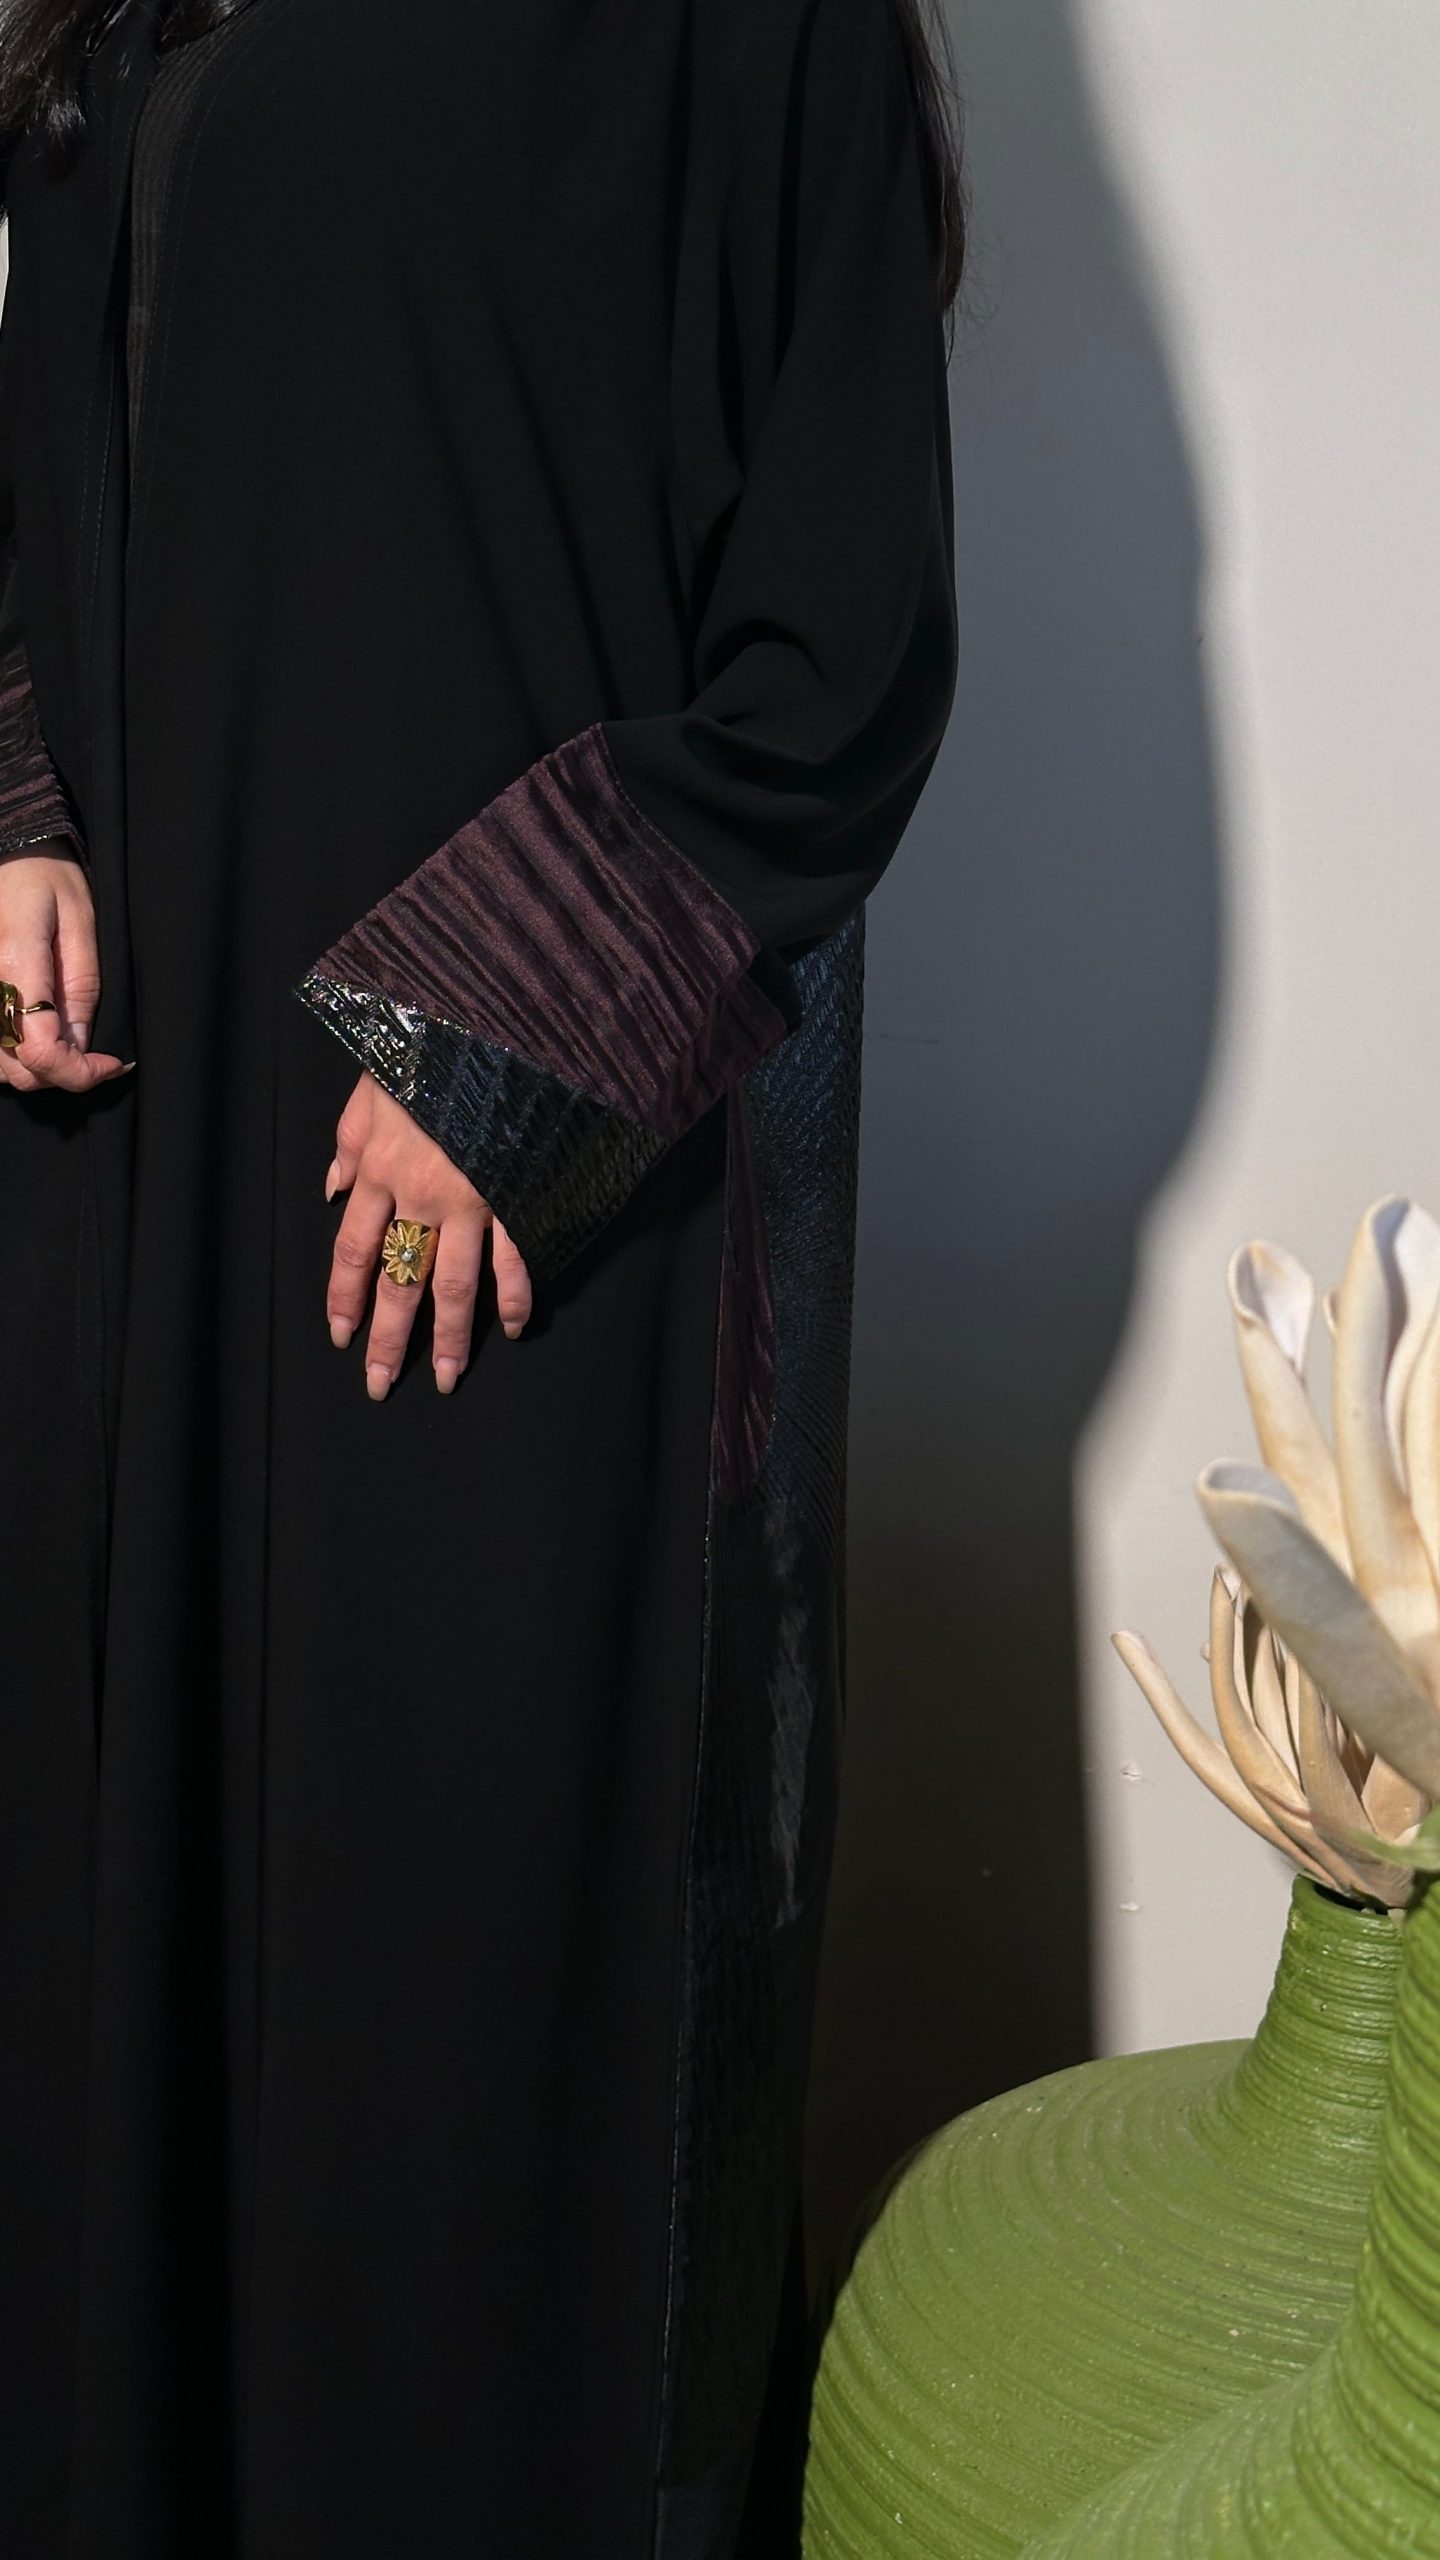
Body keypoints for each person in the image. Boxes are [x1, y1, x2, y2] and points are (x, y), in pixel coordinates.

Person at [0, 0, 962, 2549]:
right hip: (121, 1170)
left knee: (439, 2067)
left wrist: (515, 1038)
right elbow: (62, 450)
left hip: (486, 1206)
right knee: (115, 2001)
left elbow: (845, 635)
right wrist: (14, 796)